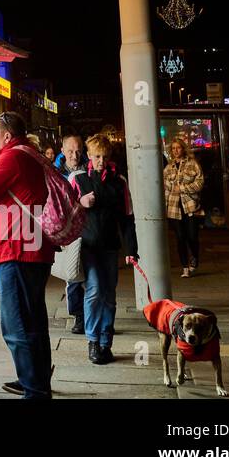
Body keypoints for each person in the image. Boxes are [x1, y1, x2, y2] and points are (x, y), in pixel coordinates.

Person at [0, 111, 55, 398]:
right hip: (27, 249)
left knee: (16, 326)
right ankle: (34, 380)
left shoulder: (11, 157)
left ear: (6, 135)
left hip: (16, 251)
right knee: (34, 323)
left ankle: (35, 390)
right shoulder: (27, 153)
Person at [75, 134, 137, 365]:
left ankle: (105, 341)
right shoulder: (78, 178)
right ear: (89, 156)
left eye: (104, 156)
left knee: (109, 295)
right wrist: (80, 203)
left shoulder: (118, 182)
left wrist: (132, 249)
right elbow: (63, 209)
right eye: (96, 156)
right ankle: (92, 340)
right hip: (88, 245)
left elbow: (127, 217)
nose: (100, 160)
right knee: (94, 290)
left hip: (111, 245)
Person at [56, 134, 89, 334]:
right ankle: (79, 315)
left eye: (78, 151)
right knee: (73, 275)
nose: (74, 155)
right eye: (70, 151)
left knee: (90, 277)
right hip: (69, 231)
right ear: (62, 151)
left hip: (88, 229)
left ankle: (90, 316)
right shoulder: (55, 172)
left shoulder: (89, 169)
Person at [163, 138, 205, 277]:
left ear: (183, 149)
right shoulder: (168, 168)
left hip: (190, 206)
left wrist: (182, 188)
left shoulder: (192, 164)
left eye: (178, 148)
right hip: (174, 208)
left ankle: (194, 258)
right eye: (173, 148)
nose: (176, 151)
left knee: (192, 236)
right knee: (180, 237)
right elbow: (165, 187)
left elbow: (199, 183)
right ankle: (185, 267)